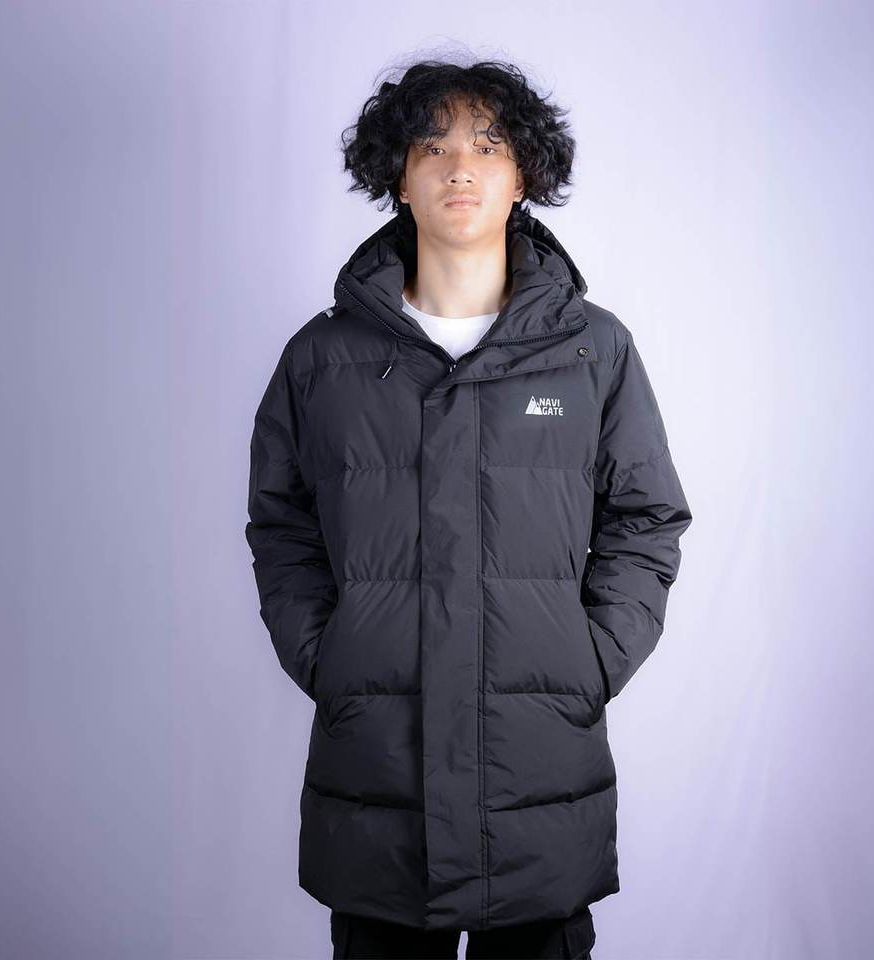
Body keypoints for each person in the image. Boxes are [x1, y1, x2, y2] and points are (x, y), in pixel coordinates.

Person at [245, 57, 693, 960]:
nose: (461, 168)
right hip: (378, 774)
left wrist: (592, 658)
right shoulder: (322, 359)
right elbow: (280, 524)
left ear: (523, 176)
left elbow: (646, 517)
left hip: (538, 772)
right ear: (399, 178)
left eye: (489, 147)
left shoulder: (592, 351)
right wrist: (327, 654)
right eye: (434, 147)